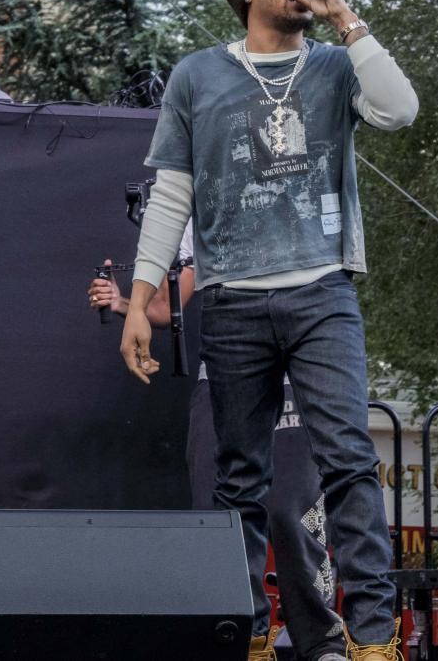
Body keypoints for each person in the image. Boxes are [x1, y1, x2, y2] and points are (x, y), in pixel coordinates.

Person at [118, 0, 419, 661]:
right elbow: (172, 194)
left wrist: (344, 15)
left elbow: (400, 109)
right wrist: (139, 296)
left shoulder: (334, 65)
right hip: (232, 298)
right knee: (240, 476)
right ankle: (248, 633)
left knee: (348, 459)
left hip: (322, 289)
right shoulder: (198, 76)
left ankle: (375, 641)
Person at [89, 243, 343, 661]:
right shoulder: (204, 201)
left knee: (291, 509)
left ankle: (322, 643)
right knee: (219, 516)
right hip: (225, 378)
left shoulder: (300, 189)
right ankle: (244, 638)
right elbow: (169, 303)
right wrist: (122, 304)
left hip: (294, 372)